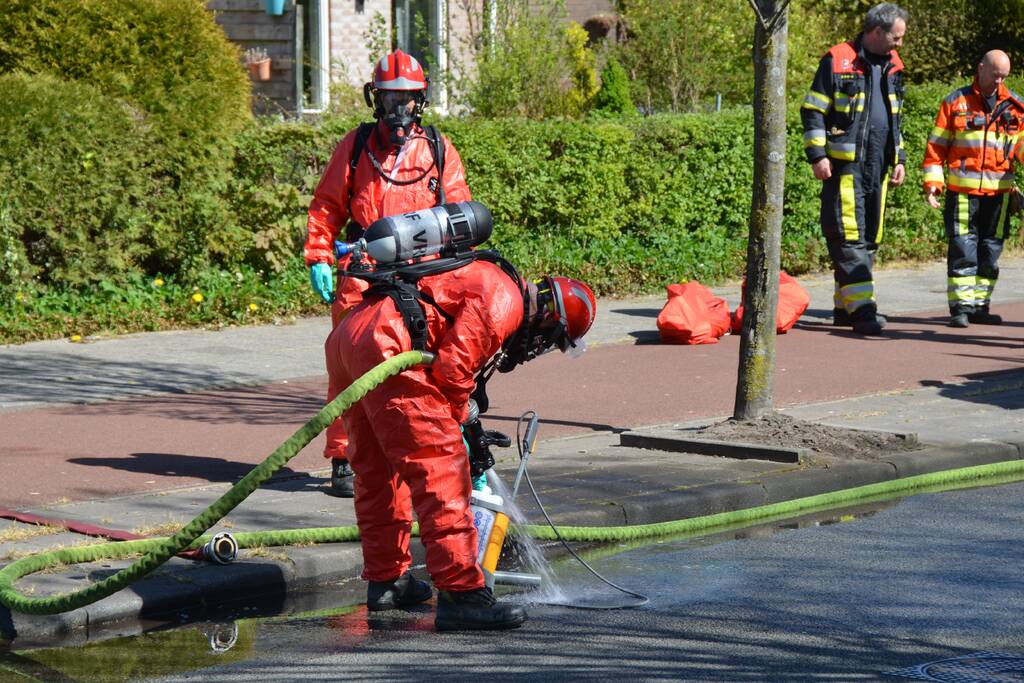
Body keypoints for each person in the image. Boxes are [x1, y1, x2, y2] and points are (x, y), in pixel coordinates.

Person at [324, 253, 596, 631]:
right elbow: (453, 372)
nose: (538, 350)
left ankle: (388, 581)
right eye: (549, 342)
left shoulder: (490, 278)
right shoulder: (505, 300)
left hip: (351, 336)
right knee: (442, 469)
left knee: (379, 474)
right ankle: (463, 595)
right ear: (549, 320)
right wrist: (461, 416)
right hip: (389, 346)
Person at [304, 49, 472, 497]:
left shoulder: (437, 149)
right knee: (349, 368)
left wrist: (460, 273)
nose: (399, 110)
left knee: (423, 364)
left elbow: (457, 215)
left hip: (420, 276)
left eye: (407, 99)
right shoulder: (356, 148)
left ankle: (428, 447)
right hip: (363, 272)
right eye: (390, 99)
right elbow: (326, 208)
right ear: (375, 99)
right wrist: (320, 257)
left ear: (421, 100)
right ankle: (344, 458)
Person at [801, 3, 909, 335]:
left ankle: (844, 308)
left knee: (870, 237)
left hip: (878, 166)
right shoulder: (837, 59)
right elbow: (812, 110)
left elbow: (896, 118)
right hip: (845, 166)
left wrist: (900, 159)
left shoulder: (894, 64)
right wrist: (818, 155)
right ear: (876, 32)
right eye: (896, 37)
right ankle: (863, 311)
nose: (900, 44)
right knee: (850, 236)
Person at [922, 50, 1024, 327]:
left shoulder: (1016, 106)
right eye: (995, 75)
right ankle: (960, 309)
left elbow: (1021, 146)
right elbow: (936, 148)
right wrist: (933, 184)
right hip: (963, 192)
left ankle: (981, 306)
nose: (999, 82)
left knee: (990, 252)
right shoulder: (955, 102)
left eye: (1004, 77)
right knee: (962, 249)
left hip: (1000, 195)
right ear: (981, 69)